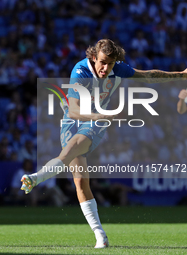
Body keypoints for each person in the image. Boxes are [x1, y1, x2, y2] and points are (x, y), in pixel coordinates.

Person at [20, 39, 187, 248]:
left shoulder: (118, 69)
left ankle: (36, 178)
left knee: (72, 150)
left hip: (96, 122)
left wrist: (181, 75)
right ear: (93, 58)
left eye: (110, 63)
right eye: (102, 62)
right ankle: (100, 235)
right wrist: (97, 114)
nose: (105, 68)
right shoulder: (80, 71)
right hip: (74, 119)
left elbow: (148, 76)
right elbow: (73, 110)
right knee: (80, 181)